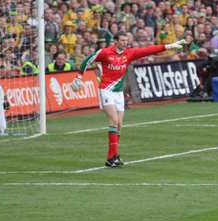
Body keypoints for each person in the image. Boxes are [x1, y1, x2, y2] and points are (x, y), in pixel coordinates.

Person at [70, 31, 186, 167]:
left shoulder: (129, 53)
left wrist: (170, 46)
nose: (125, 43)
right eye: (123, 40)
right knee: (113, 120)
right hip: (106, 90)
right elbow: (86, 60)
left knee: (119, 124)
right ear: (115, 41)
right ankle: (116, 155)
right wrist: (78, 78)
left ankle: (110, 158)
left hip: (119, 93)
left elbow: (148, 50)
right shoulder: (105, 52)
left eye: (126, 40)